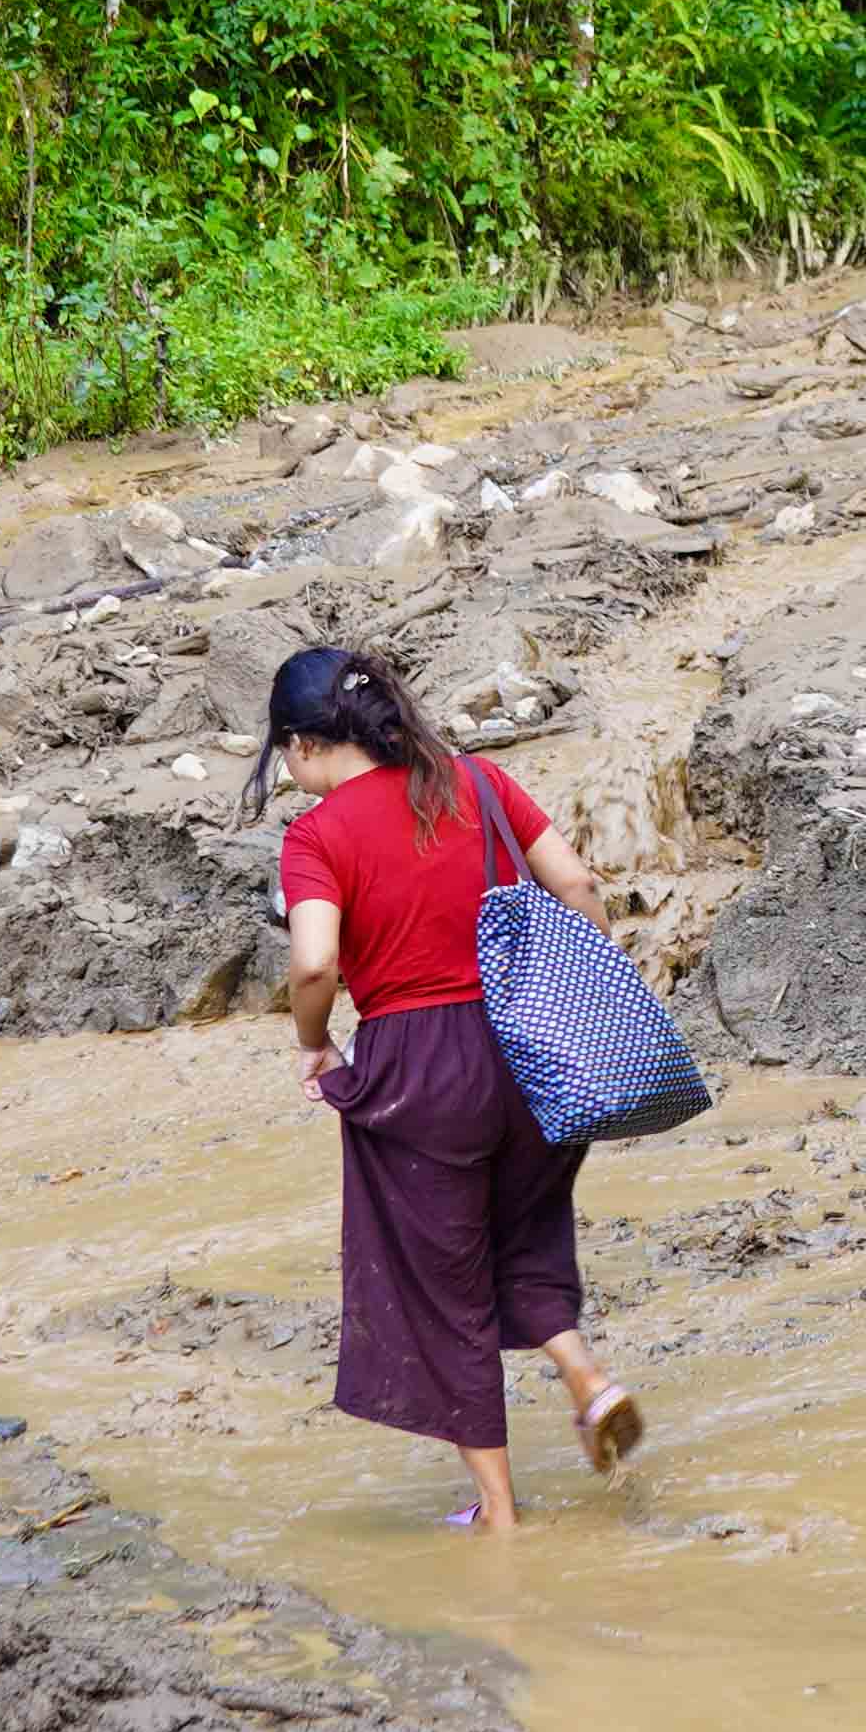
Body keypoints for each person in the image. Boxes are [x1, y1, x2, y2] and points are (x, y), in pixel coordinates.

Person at [253, 641, 644, 1530]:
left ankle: (499, 1516)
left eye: (284, 754)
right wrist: (567, 988)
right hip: (531, 1047)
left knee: (441, 1285)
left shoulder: (316, 834)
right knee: (527, 1231)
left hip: (416, 1065)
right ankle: (586, 1378)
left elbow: (314, 963)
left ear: (306, 745)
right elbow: (577, 883)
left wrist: (313, 1046)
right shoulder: (474, 780)